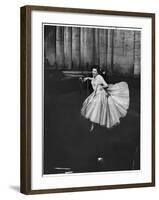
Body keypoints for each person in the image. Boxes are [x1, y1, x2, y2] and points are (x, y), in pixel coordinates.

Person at [81, 67, 129, 132]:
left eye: (95, 71)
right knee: (92, 107)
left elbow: (106, 85)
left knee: (96, 108)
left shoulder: (99, 77)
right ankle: (93, 124)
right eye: (92, 71)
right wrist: (88, 78)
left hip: (100, 94)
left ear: (97, 72)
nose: (93, 72)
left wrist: (101, 87)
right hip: (95, 93)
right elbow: (94, 79)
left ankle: (94, 124)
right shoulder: (94, 77)